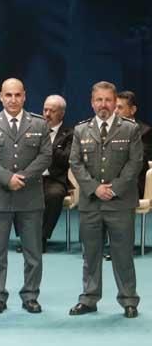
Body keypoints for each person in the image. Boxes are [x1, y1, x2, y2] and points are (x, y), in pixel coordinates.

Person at [0, 78, 51, 315]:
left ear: (25, 96)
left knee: (33, 253)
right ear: (1, 96)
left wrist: (24, 177)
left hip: (29, 197)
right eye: (8, 95)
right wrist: (7, 178)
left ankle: (30, 295)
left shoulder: (39, 124)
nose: (13, 100)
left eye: (17, 95)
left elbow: (45, 156)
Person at [68, 81, 143, 318]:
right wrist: (94, 188)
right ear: (92, 103)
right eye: (99, 100)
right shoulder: (81, 130)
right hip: (91, 202)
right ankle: (89, 298)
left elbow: (135, 163)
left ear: (115, 103)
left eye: (108, 100)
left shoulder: (130, 129)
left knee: (123, 255)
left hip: (120, 203)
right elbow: (75, 163)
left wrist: (115, 188)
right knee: (90, 254)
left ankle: (129, 300)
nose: (103, 105)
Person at [40, 95, 73, 251]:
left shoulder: (70, 133)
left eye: (52, 111)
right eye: (45, 110)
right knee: (17, 191)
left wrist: (50, 145)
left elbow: (68, 158)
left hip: (55, 178)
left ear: (61, 113)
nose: (47, 114)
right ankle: (27, 236)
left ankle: (41, 237)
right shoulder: (33, 130)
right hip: (33, 177)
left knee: (54, 195)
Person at [115, 91, 152, 197]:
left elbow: (139, 161)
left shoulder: (145, 132)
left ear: (132, 110)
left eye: (120, 108)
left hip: (133, 181)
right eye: (114, 108)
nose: (116, 112)